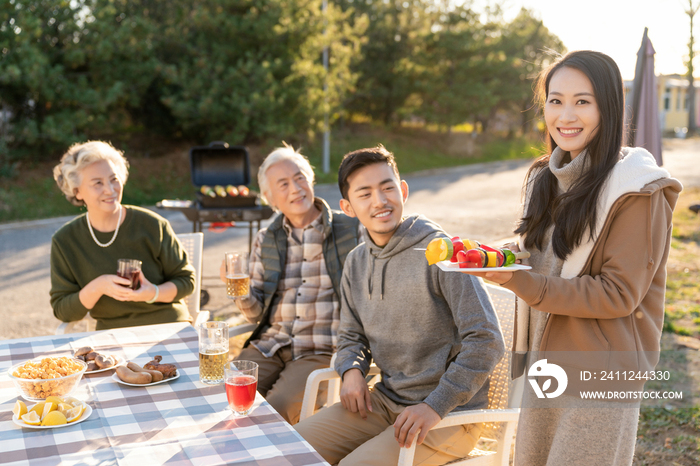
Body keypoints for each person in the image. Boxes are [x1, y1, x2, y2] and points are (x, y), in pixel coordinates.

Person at [469, 51, 683, 466]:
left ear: (608, 107)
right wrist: (490, 255)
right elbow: (541, 253)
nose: (565, 115)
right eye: (555, 100)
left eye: (582, 101)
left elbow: (618, 294)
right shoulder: (544, 177)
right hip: (545, 366)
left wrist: (518, 282)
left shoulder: (637, 191)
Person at [294, 146, 504, 465]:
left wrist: (435, 406)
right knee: (292, 451)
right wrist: (350, 369)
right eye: (365, 194)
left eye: (387, 187)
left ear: (402, 190)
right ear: (347, 207)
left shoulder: (441, 252)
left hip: (448, 415)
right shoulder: (356, 263)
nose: (380, 201)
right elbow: (351, 334)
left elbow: (487, 340)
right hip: (385, 402)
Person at [219, 144, 361, 425]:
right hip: (270, 344)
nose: (295, 189)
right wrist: (239, 289)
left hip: (319, 348)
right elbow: (257, 313)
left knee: (273, 413)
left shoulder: (350, 230)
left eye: (299, 178)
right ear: (271, 199)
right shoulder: (266, 238)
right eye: (283, 184)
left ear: (311, 180)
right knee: (226, 399)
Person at [51, 141, 196, 330]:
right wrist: (99, 286)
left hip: (168, 327)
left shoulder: (153, 225)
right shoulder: (65, 241)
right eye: (98, 183)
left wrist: (152, 293)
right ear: (77, 192)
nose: (110, 190)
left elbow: (186, 281)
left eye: (114, 179)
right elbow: (63, 310)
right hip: (111, 337)